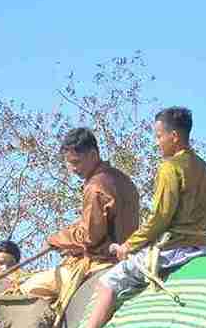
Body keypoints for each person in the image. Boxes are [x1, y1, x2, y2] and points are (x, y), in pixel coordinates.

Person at [51, 107, 206, 328]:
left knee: (109, 281)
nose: (157, 142)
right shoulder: (203, 167)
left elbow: (160, 218)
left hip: (175, 248)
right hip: (205, 245)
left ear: (174, 136)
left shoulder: (170, 168)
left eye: (159, 136)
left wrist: (129, 245)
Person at [20, 127, 142, 305]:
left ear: (93, 155)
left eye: (76, 162)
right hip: (128, 257)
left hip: (102, 263)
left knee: (28, 287)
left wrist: (55, 240)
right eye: (68, 163)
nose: (72, 169)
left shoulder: (95, 187)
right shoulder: (123, 179)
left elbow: (89, 236)